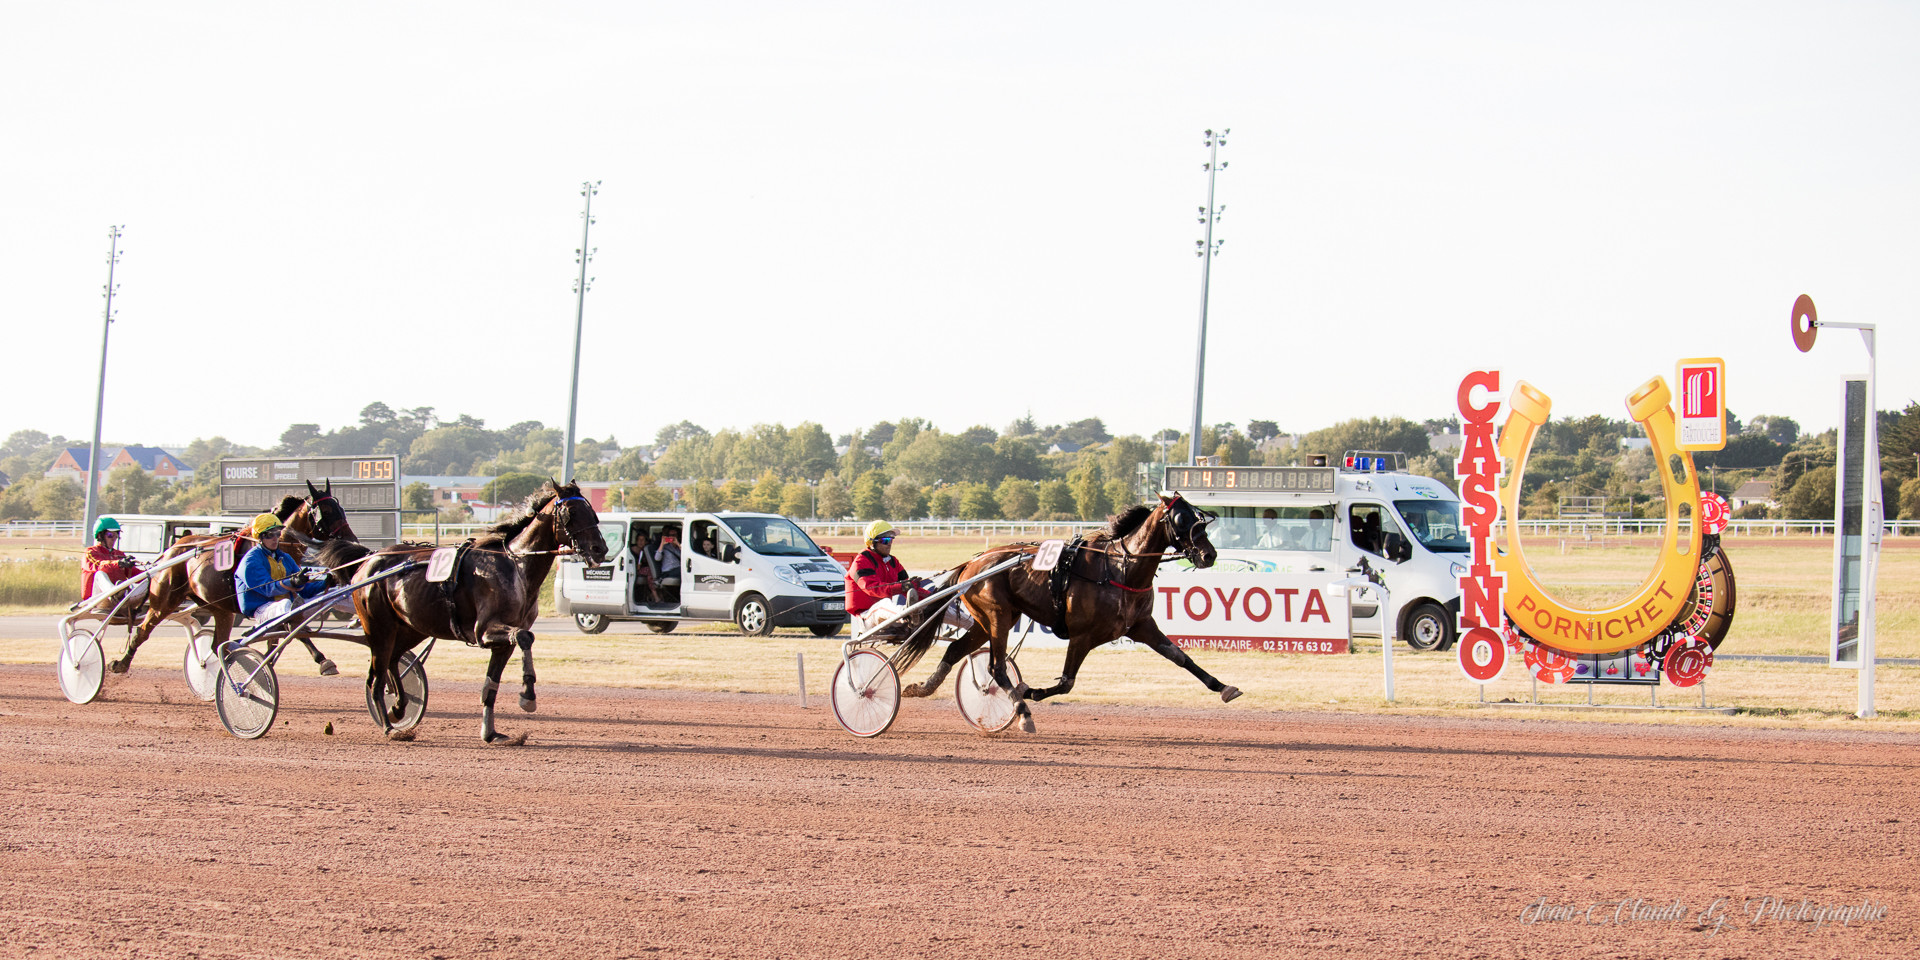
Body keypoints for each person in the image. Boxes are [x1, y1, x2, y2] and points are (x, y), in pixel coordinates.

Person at [845, 520, 972, 638]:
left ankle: (974, 625)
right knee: (883, 604)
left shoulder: (893, 562)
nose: (889, 544)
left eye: (891, 540)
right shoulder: (861, 562)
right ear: (872, 542)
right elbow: (873, 589)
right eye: (885, 540)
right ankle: (908, 614)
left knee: (937, 606)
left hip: (890, 618)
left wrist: (936, 598)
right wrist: (903, 586)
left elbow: (911, 589)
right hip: (867, 617)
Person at [233, 513, 326, 626]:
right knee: (286, 604)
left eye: (278, 534)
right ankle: (265, 626)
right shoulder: (251, 561)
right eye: (269, 535)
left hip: (287, 610)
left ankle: (354, 621)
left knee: (335, 594)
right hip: (262, 611)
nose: (275, 539)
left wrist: (328, 582)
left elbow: (306, 591)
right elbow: (268, 589)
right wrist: (293, 582)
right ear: (260, 537)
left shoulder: (285, 558)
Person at [82, 516, 146, 614]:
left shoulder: (119, 554)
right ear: (100, 535)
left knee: (149, 578)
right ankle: (115, 593)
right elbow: (99, 565)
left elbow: (136, 574)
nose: (114, 539)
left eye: (116, 536)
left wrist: (153, 572)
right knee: (100, 574)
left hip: (122, 600)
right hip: (98, 599)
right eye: (110, 535)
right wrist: (118, 563)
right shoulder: (90, 552)